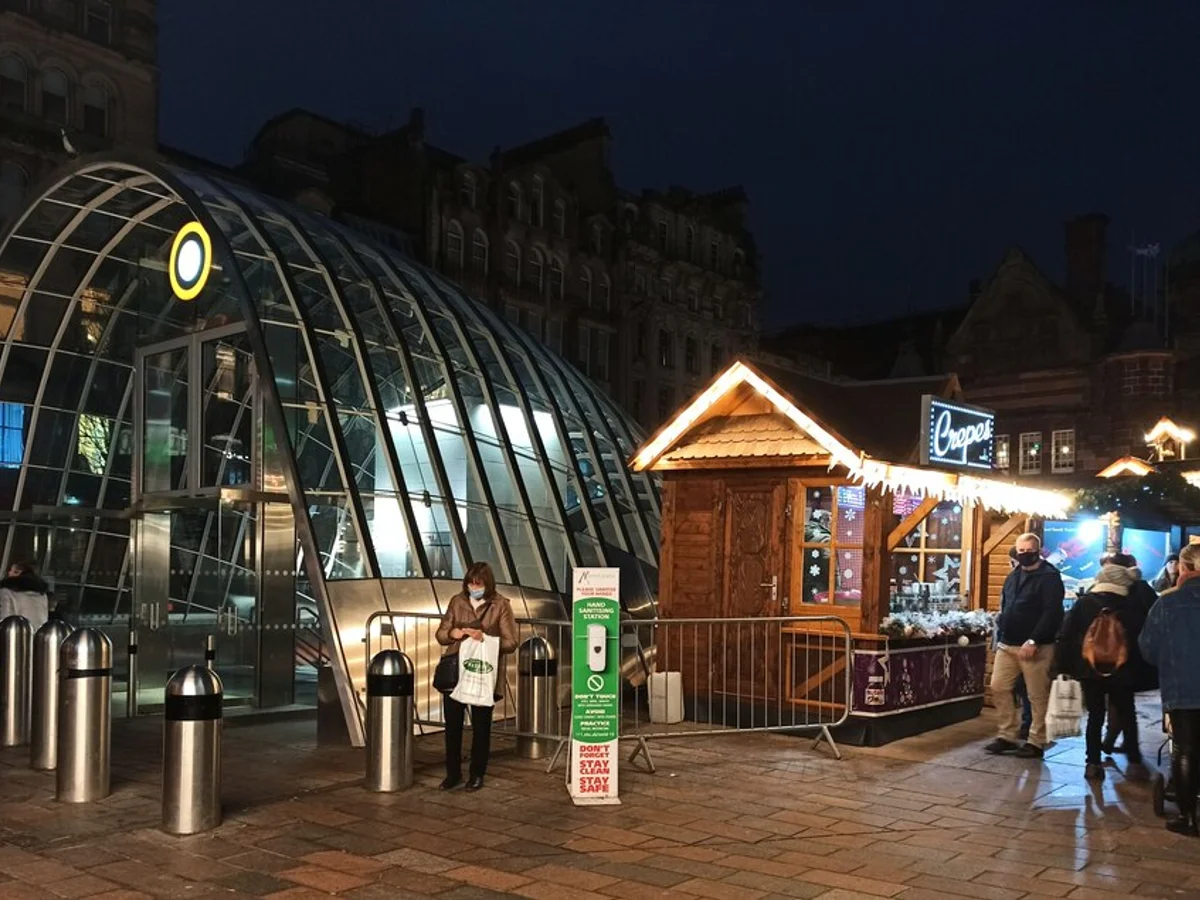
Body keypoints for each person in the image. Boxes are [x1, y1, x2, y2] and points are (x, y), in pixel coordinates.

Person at [1055, 562, 1150, 782]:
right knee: (1127, 713)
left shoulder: (1084, 603)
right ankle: (1134, 761)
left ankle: (1092, 763)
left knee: (1095, 716)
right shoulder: (1132, 605)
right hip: (1123, 669)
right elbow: (1141, 639)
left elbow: (1066, 635)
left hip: (1090, 669)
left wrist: (1065, 666)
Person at [434, 562, 518, 792]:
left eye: (478, 584)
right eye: (470, 583)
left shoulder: (500, 605)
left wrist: (487, 638)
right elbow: (441, 633)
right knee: (453, 725)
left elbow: (511, 642)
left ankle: (477, 774)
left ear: (487, 584)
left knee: (481, 726)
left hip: (483, 672)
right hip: (456, 671)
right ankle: (452, 774)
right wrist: (453, 633)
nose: (473, 588)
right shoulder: (457, 601)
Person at [1139, 543, 1200, 837]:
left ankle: (1189, 818)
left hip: (1182, 688)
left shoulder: (1167, 603)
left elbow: (1148, 649)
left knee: (1184, 749)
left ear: (1184, 569)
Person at [986, 533, 1065, 759]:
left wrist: (1034, 639)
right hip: (1008, 643)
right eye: (1020, 551)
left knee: (1036, 695)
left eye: (1028, 551)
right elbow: (1007, 603)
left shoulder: (1049, 577)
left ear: (1037, 550)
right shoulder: (1014, 576)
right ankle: (1007, 734)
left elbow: (1052, 613)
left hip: (1036, 646)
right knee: (999, 686)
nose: (1024, 555)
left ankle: (1036, 741)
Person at [1098, 552, 1159, 756]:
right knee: (1121, 700)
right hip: (1130, 650)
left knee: (1119, 699)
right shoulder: (1140, 588)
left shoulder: (1131, 589)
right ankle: (1122, 744)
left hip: (1125, 650)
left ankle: (1119, 743)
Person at [0, 561, 50, 632]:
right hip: (39, 634)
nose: (9, 573)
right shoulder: (42, 594)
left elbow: (5, 618)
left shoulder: (7, 592)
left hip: (17, 634)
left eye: (14, 571)